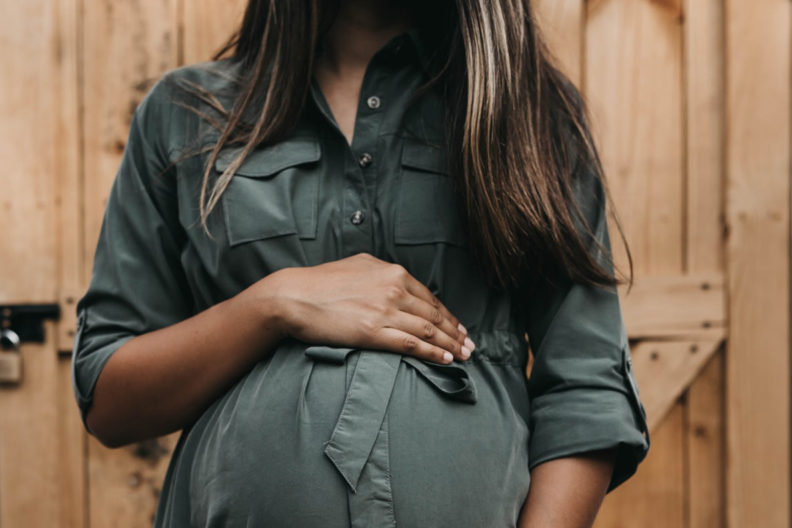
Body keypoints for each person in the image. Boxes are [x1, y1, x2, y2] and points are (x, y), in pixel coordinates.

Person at [70, 0, 651, 526]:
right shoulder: (184, 113)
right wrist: (272, 306)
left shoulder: (527, 112)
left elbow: (585, 384)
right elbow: (110, 399)